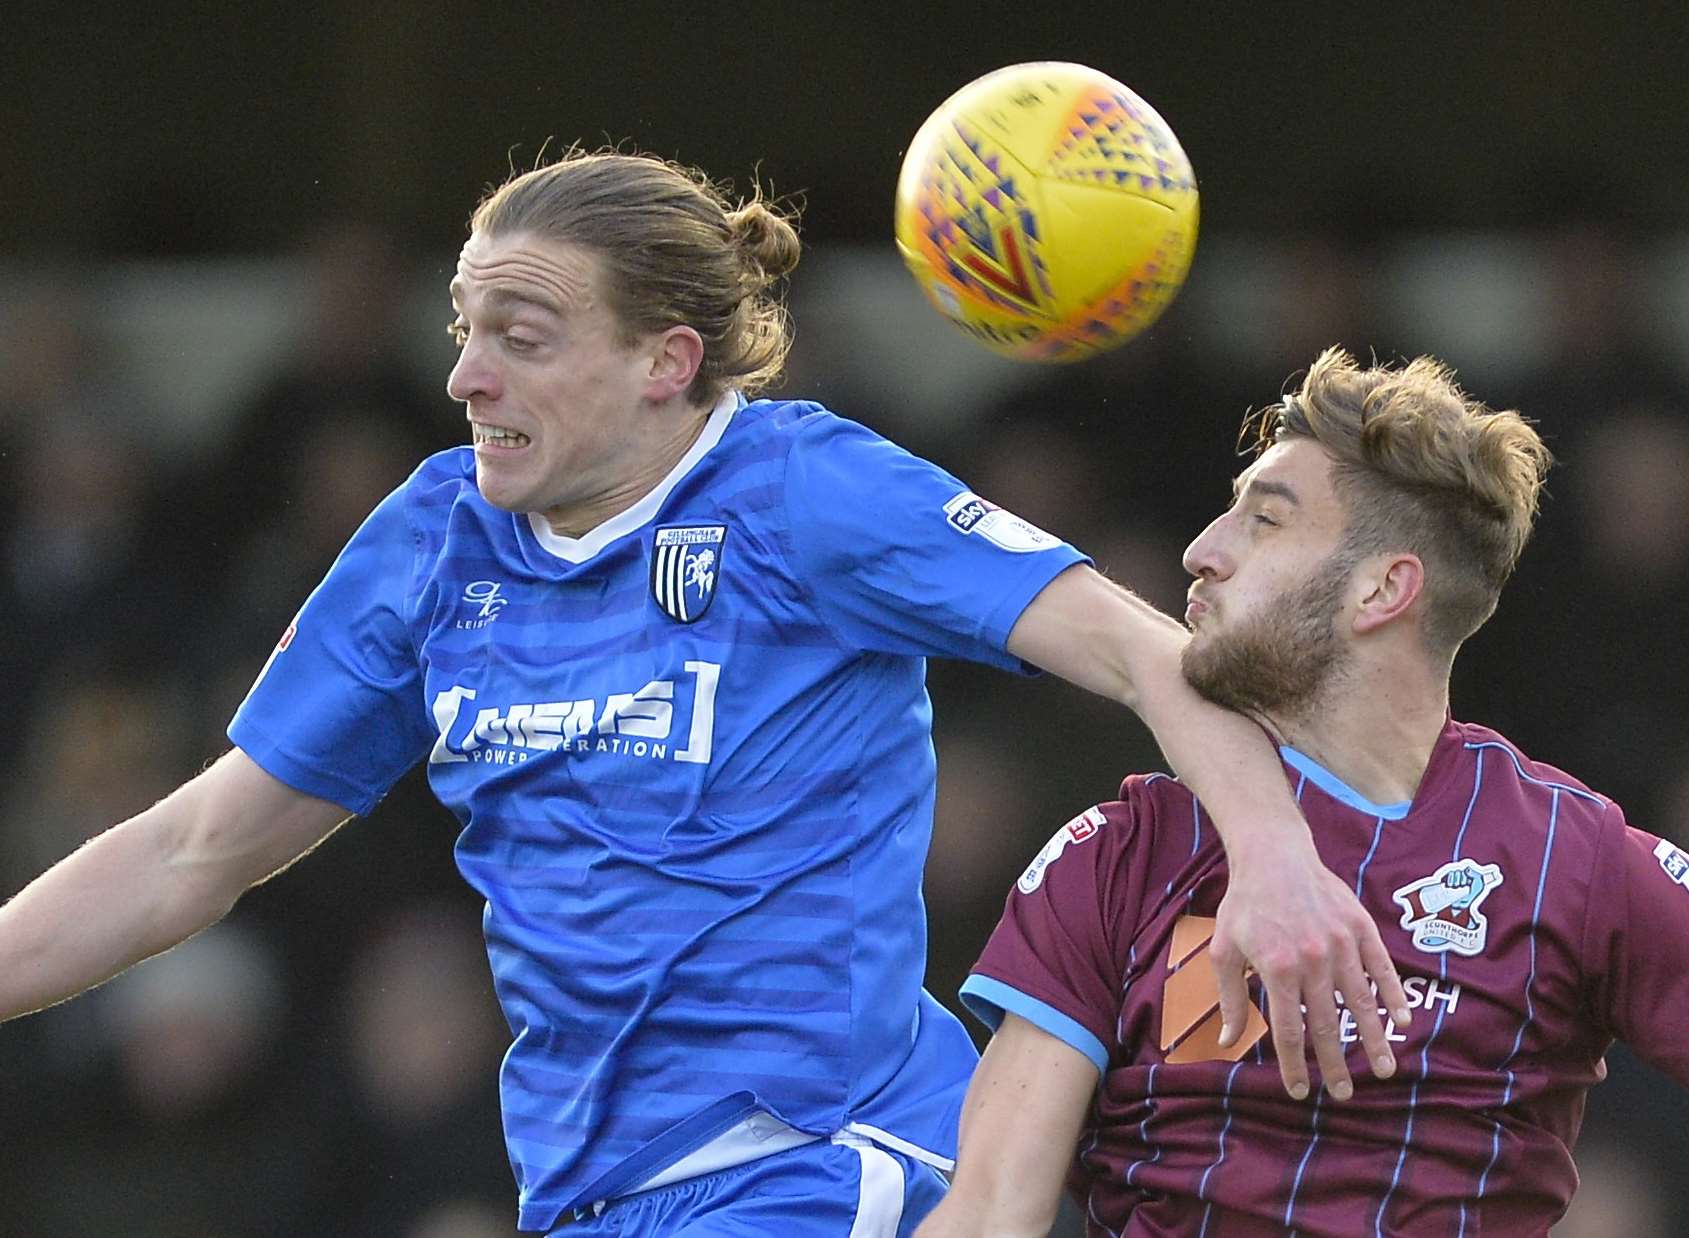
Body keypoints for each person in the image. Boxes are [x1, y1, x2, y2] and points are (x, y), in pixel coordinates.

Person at [0, 151, 1409, 1236]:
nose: (465, 372)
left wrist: (1279, 861)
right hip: (591, 1186)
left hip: (821, 1159)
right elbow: (197, 847)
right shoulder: (434, 541)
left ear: (667, 362)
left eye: (524, 334)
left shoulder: (806, 492)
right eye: (464, 325)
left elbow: (1146, 651)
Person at [917, 347, 1689, 1237]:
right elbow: (984, 1214)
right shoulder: (1122, 851)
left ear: (1382, 588)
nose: (1202, 551)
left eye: (1264, 521)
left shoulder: (1569, 855)